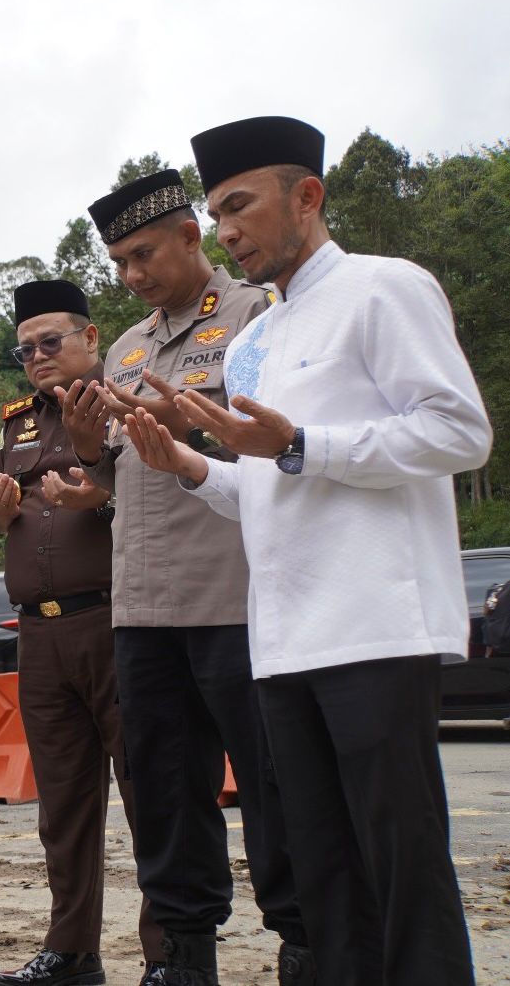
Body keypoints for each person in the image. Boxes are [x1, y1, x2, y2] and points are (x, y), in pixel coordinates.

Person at [124, 115, 489, 985]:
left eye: (240, 207)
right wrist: (185, 464)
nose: (227, 231)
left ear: (308, 196)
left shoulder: (382, 288)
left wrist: (300, 444)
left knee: (400, 863)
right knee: (323, 870)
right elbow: (266, 485)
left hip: (374, 625)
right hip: (283, 639)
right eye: (216, 215)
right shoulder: (255, 339)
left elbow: (457, 431)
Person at [59, 170, 308, 984]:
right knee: (164, 790)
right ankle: (183, 953)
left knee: (272, 782)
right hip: (141, 606)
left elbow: (278, 446)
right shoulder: (127, 347)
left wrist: (189, 422)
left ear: (191, 237)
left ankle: (302, 943)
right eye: (119, 263)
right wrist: (90, 444)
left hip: (232, 594)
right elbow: (114, 474)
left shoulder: (253, 320)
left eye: (143, 254)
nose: (132, 275)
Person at [0, 280, 162, 986]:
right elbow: (4, 510)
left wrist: (102, 485)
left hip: (114, 620)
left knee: (148, 793)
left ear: (91, 339)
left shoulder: (125, 399)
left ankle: (166, 954)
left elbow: (162, 490)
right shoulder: (18, 424)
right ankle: (72, 951)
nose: (35, 356)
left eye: (50, 341)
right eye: (23, 348)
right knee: (61, 803)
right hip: (39, 635)